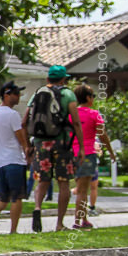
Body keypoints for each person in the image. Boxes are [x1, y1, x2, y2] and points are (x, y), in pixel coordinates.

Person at [23, 65, 84, 232]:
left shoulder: (38, 93)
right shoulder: (67, 94)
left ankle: (37, 207)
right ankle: (59, 223)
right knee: (64, 183)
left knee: (42, 181)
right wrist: (82, 147)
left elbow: (24, 122)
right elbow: (76, 122)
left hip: (41, 144)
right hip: (62, 144)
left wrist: (28, 146)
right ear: (63, 79)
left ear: (48, 78)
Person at [0, 81, 30, 234]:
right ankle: (13, 230)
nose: (18, 97)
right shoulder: (12, 115)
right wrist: (27, 153)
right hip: (14, 160)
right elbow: (21, 137)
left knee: (2, 196)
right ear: (6, 95)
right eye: (16, 94)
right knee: (17, 196)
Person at [71, 84, 117, 229]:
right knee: (83, 190)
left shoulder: (71, 114)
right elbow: (102, 135)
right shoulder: (94, 114)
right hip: (88, 153)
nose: (93, 99)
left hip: (73, 154)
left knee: (79, 187)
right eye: (93, 96)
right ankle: (79, 221)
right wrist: (110, 151)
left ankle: (83, 218)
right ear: (88, 97)